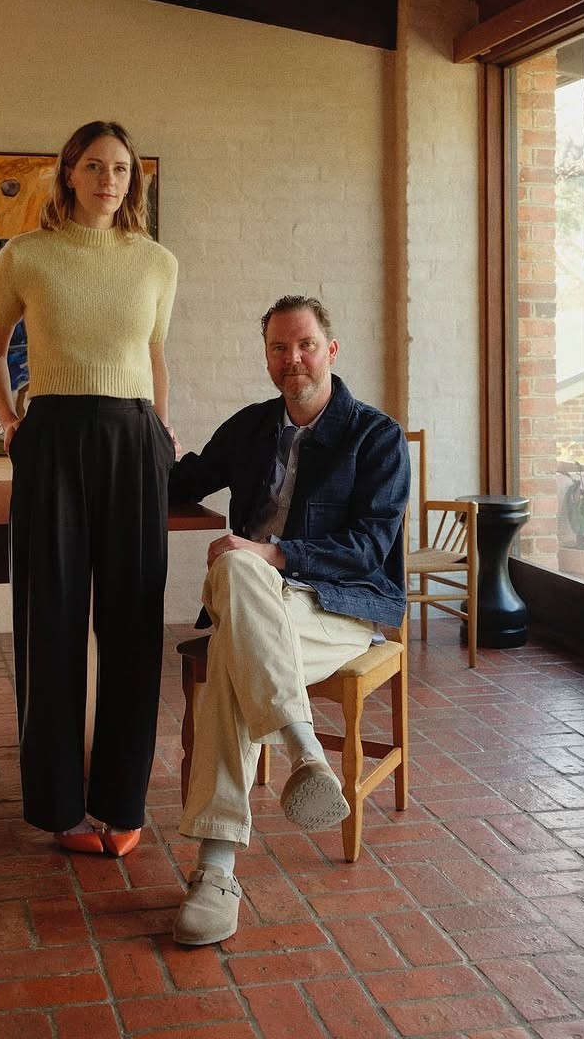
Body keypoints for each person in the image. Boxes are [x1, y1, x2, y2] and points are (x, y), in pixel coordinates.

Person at [168, 295, 409, 944]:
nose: (291, 358)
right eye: (278, 347)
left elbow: (369, 548)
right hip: (255, 597)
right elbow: (181, 484)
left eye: (303, 344)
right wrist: (148, 443)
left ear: (330, 349)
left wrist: (275, 551)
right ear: (268, 357)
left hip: (337, 605)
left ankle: (216, 870)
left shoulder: (375, 437)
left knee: (231, 652)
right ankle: (304, 751)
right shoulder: (250, 427)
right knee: (241, 574)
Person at [0, 120, 178, 858]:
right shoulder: (24, 257)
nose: (108, 180)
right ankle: (59, 805)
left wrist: (161, 425)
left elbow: (154, 353)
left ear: (133, 180)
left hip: (134, 441)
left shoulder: (157, 263)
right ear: (68, 173)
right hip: (52, 438)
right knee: (50, 621)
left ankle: (122, 803)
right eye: (94, 166)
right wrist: (9, 422)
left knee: (133, 624)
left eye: (121, 169)